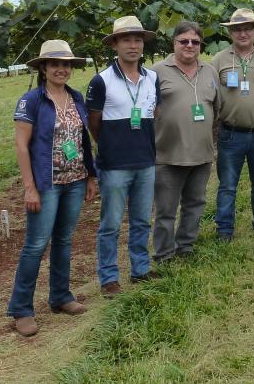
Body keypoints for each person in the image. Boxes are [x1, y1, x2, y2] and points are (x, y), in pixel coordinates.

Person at [7, 39, 98, 337]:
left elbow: (83, 141)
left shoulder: (75, 98)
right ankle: (21, 308)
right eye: (55, 64)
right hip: (46, 185)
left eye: (66, 64)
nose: (61, 69)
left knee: (64, 240)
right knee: (35, 244)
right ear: (44, 68)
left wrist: (90, 175)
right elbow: (21, 146)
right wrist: (29, 187)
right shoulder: (32, 100)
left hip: (74, 180)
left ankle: (60, 295)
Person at [86, 16, 159, 297]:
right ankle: (108, 278)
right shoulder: (101, 81)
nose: (133, 45)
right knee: (111, 224)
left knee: (142, 220)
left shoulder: (152, 78)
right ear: (115, 44)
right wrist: (109, 144)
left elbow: (154, 114)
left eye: (138, 39)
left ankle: (140, 269)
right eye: (126, 39)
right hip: (115, 164)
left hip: (145, 161)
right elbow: (94, 122)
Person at [151, 21, 220, 262]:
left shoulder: (209, 71)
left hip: (202, 153)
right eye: (184, 41)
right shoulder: (157, 71)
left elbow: (216, 110)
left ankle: (186, 245)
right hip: (168, 153)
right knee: (165, 210)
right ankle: (163, 253)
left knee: (195, 204)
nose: (189, 45)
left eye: (195, 42)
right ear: (174, 43)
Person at [210, 9, 254, 241]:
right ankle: (224, 230)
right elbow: (210, 96)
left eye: (247, 28)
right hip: (230, 133)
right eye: (237, 29)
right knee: (228, 185)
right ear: (230, 32)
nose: (242, 33)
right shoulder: (219, 60)